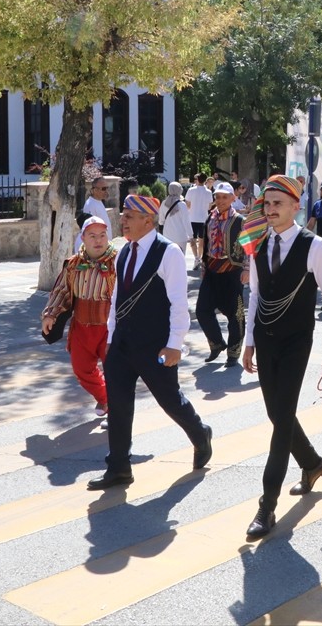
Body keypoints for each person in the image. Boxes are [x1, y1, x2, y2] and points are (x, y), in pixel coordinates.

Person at [86, 194, 213, 490]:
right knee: (118, 405)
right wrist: (110, 336)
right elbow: (117, 298)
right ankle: (118, 466)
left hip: (155, 345)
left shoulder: (168, 253)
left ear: (148, 220)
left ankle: (199, 433)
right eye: (123, 215)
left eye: (129, 216)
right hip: (122, 344)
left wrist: (175, 345)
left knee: (170, 400)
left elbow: (179, 303)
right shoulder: (124, 252)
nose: (123, 220)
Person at [240, 175, 322, 538]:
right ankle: (313, 463)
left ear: (296, 207)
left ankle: (267, 506)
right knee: (275, 413)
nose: (270, 210)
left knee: (281, 419)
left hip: (297, 342)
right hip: (265, 340)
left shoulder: (314, 246)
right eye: (266, 204)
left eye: (278, 204)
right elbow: (254, 295)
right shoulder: (257, 242)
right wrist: (248, 341)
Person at [42, 216, 117, 418]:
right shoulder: (73, 264)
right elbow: (61, 291)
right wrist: (50, 314)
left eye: (102, 235)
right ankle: (105, 398)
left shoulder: (118, 261)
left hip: (110, 328)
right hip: (82, 327)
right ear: (83, 237)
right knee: (81, 369)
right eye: (92, 236)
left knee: (115, 372)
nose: (98, 240)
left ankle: (117, 412)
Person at [196, 181, 246, 366]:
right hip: (212, 270)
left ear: (233, 198)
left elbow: (249, 247)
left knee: (236, 314)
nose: (220, 200)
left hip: (232, 272)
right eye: (217, 197)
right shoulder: (210, 218)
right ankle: (217, 343)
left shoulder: (240, 221)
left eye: (225, 197)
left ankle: (233, 353)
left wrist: (247, 269)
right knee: (202, 309)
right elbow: (206, 243)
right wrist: (203, 264)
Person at [185, 172, 214, 268]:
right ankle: (200, 258)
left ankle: (196, 258)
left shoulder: (191, 190)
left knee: (192, 239)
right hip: (203, 218)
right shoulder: (208, 192)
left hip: (192, 217)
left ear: (198, 180)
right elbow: (210, 206)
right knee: (202, 240)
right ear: (205, 180)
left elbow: (187, 204)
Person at [76, 179, 112, 250]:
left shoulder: (99, 202)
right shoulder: (91, 205)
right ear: (94, 190)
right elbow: (90, 229)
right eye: (103, 189)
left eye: (107, 188)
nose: (106, 191)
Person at [157, 181, 191, 248]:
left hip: (167, 236)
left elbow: (160, 221)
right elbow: (186, 221)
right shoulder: (182, 204)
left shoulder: (164, 203)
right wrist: (191, 235)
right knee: (180, 257)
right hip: (181, 237)